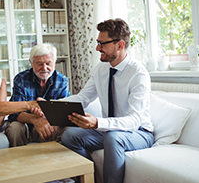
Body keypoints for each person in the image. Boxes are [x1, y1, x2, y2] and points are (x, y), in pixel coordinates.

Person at [60, 19, 154, 183]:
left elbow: (134, 121)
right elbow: (83, 98)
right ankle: (90, 180)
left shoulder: (138, 74)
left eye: (102, 44)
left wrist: (97, 123)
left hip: (139, 132)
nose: (97, 48)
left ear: (120, 45)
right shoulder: (101, 68)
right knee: (69, 135)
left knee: (113, 137)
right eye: (98, 43)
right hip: (110, 130)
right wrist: (52, 104)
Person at [5, 43, 70, 147]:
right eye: (39, 64)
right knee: (15, 127)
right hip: (26, 128)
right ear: (31, 63)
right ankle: (18, 160)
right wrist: (35, 119)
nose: (44, 68)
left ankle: (59, 160)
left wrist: (47, 114)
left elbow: (64, 113)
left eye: (48, 63)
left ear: (54, 62)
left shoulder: (62, 81)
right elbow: (14, 113)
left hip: (50, 125)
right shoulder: (21, 79)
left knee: (68, 129)